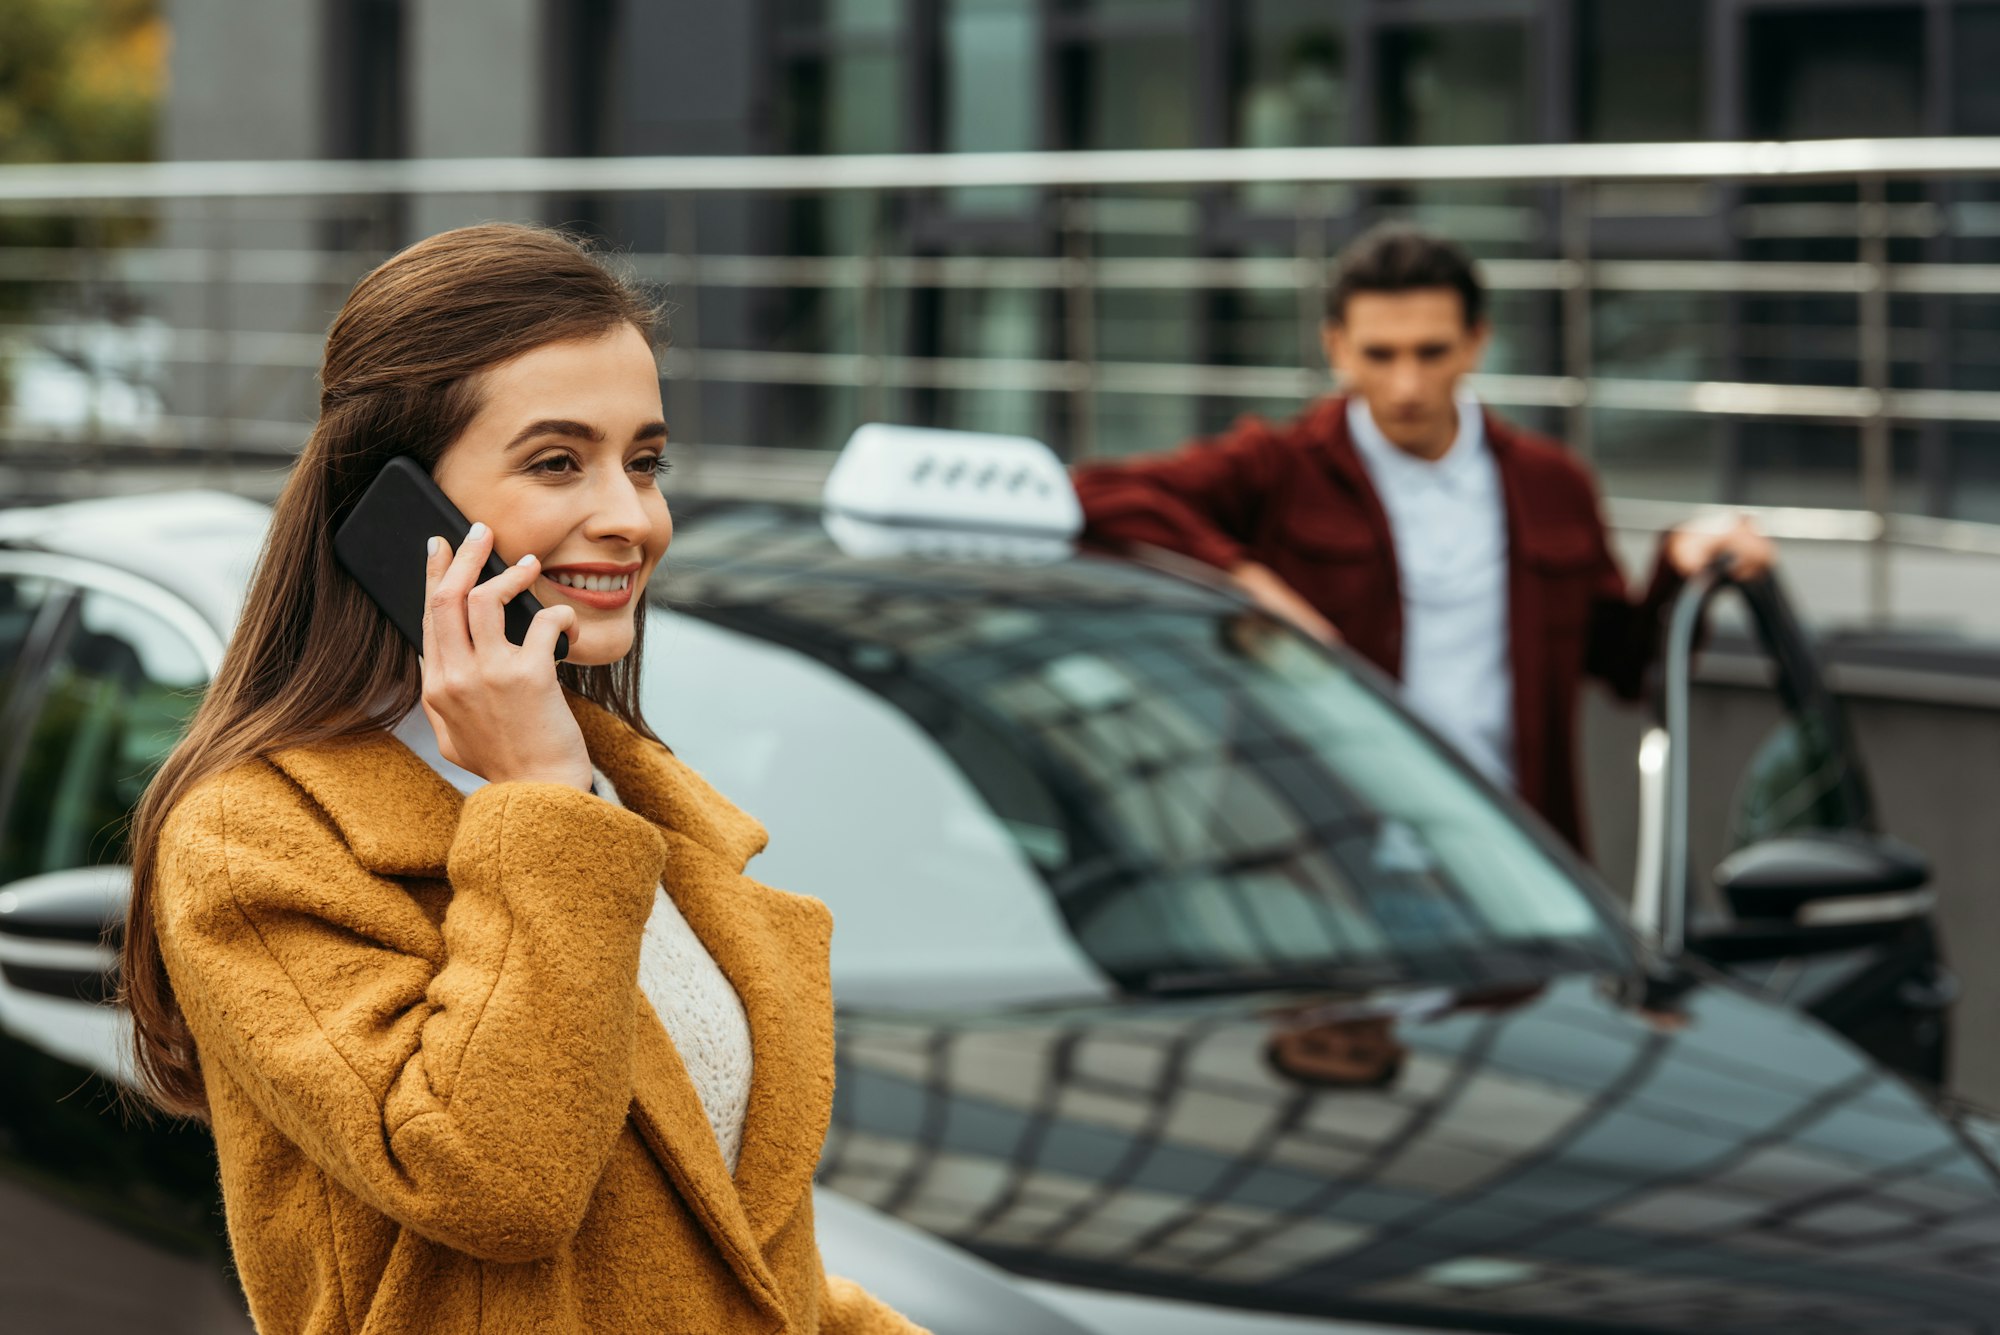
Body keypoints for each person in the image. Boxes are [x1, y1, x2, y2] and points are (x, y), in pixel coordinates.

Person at [120, 225, 924, 1335]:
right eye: (557, 462)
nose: (632, 517)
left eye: (645, 462)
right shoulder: (256, 835)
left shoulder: (634, 801)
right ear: (396, 506)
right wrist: (536, 795)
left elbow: (723, 1263)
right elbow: (498, 1181)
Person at [1073, 224, 1773, 852]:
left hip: (1510, 856)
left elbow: (1628, 666)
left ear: (1476, 342)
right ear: (1336, 347)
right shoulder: (1279, 469)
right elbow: (1095, 492)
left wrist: (1679, 564)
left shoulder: (1550, 484)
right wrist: (1249, 584)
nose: (1406, 384)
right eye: (1379, 354)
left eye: (1431, 352)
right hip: (1332, 856)